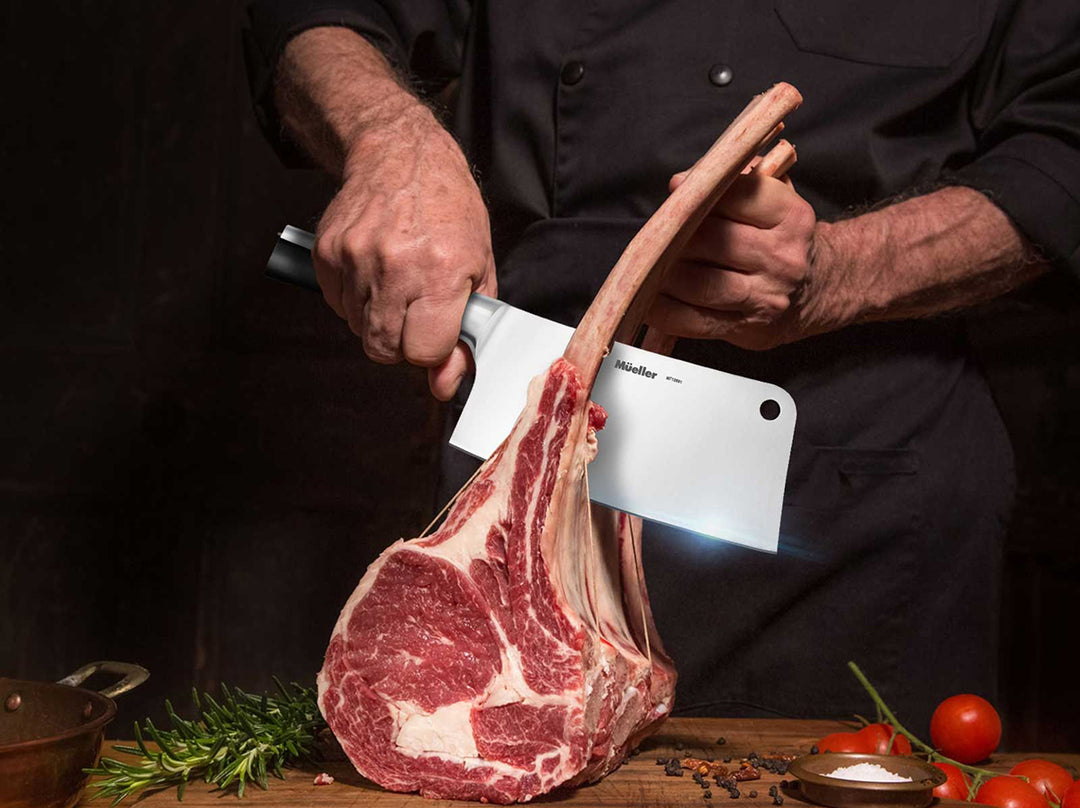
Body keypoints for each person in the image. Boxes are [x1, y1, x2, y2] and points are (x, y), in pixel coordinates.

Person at [243, 1, 1080, 736]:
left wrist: (844, 270)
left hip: (863, 490)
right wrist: (392, 139)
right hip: (531, 458)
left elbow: (1065, 142)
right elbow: (317, 9)